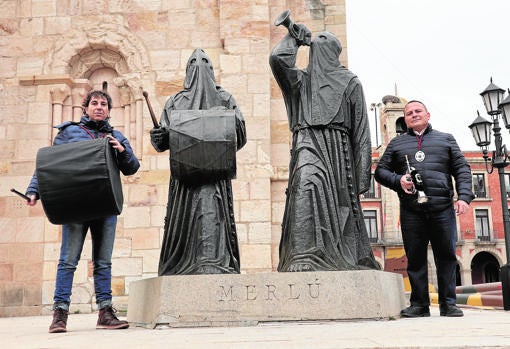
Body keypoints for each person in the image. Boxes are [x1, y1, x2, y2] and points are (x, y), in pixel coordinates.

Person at [26, 90, 140, 332]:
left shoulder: (116, 136)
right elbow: (49, 164)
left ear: (109, 110)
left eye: (104, 104)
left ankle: (105, 313)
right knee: (68, 261)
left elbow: (132, 168)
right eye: (94, 103)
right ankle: (60, 315)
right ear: (86, 108)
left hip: (105, 205)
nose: (99, 107)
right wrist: (34, 190)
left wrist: (122, 150)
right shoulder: (69, 132)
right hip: (76, 203)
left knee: (103, 261)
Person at [269, 22, 379, 272]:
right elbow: (277, 60)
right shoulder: (300, 81)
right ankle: (302, 255)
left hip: (339, 153)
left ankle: (333, 256)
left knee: (339, 208)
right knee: (306, 185)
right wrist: (293, 39)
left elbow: (361, 132)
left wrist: (363, 176)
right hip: (307, 144)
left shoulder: (351, 83)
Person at [150, 48, 247, 275]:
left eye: (205, 62)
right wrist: (160, 137)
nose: (200, 65)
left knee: (211, 210)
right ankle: (184, 263)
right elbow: (162, 140)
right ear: (187, 70)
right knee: (186, 219)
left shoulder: (224, 98)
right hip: (184, 180)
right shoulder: (175, 101)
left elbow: (240, 134)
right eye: (194, 62)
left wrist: (226, 126)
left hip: (215, 176)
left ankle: (214, 262)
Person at [375, 100, 474, 318]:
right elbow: (380, 172)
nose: (413, 115)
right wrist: (398, 180)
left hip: (442, 208)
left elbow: (462, 169)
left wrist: (464, 197)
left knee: (446, 257)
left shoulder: (446, 139)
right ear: (406, 119)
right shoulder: (396, 144)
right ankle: (419, 305)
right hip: (411, 210)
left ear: (428, 115)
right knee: (415, 257)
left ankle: (449, 304)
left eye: (418, 111)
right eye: (409, 113)